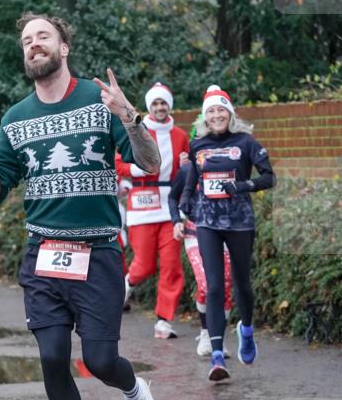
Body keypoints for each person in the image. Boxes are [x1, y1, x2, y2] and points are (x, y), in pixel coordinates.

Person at [0, 12, 165, 400]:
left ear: (64, 47)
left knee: (99, 360)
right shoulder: (15, 119)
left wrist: (129, 116)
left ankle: (136, 390)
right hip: (43, 254)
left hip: (98, 252)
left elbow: (151, 163)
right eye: (26, 40)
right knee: (52, 357)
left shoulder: (99, 104)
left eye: (42, 37)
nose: (33, 45)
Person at [179, 86, 275, 381]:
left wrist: (244, 186)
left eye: (221, 110)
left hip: (240, 222)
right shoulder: (198, 145)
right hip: (208, 222)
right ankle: (217, 356)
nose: (217, 115)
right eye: (211, 111)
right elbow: (192, 177)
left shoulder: (245, 142)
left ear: (230, 114)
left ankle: (246, 331)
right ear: (204, 117)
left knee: (242, 284)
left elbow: (269, 176)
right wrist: (185, 201)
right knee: (215, 286)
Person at [117, 82, 190, 339]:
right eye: (155, 103)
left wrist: (186, 166)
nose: (160, 107)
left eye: (163, 103)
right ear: (149, 106)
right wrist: (135, 169)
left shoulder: (180, 135)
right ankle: (126, 284)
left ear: (169, 105)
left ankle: (163, 321)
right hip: (142, 205)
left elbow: (188, 169)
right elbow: (117, 161)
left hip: (171, 207)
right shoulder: (138, 130)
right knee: (144, 265)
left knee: (171, 266)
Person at [169, 146, 233, 357]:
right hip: (195, 232)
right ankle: (206, 332)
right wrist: (177, 221)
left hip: (225, 231)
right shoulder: (188, 170)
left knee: (225, 287)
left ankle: (218, 339)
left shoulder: (233, 166)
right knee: (206, 285)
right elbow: (173, 197)